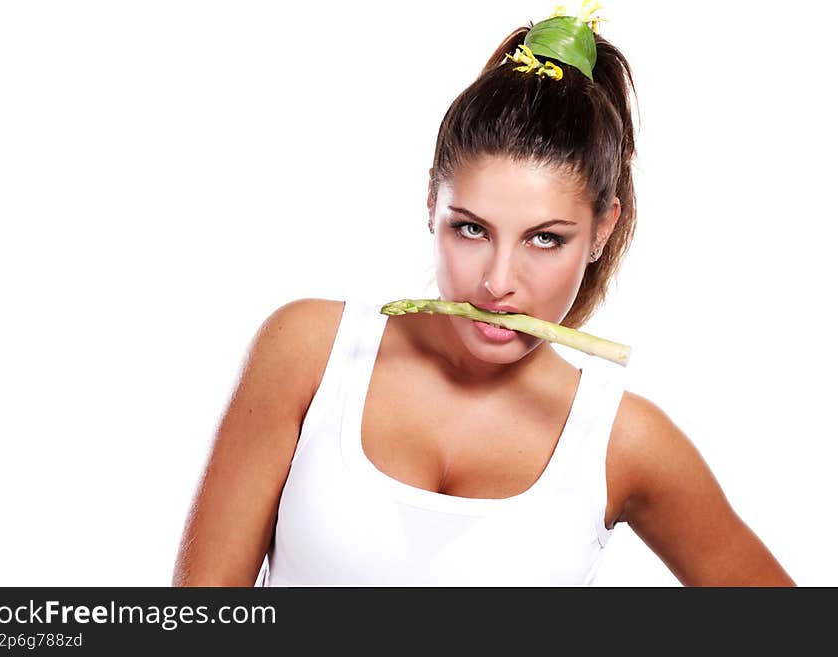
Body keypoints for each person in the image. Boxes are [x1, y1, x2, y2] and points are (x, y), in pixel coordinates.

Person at [171, 4, 795, 587]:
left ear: (602, 230)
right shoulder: (309, 351)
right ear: (430, 204)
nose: (498, 281)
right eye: (471, 228)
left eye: (545, 240)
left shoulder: (625, 440)